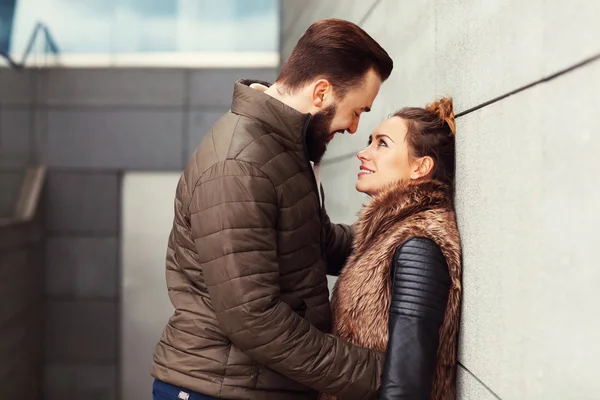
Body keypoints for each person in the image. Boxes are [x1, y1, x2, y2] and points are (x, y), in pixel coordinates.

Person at [151, 19, 394, 400]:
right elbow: (253, 317)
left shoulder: (285, 147)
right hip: (218, 389)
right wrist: (382, 373)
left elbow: (317, 241)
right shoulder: (238, 164)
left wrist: (399, 235)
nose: (353, 128)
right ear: (321, 93)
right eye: (357, 110)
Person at [324, 98, 462, 400]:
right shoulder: (390, 233)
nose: (363, 153)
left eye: (382, 144)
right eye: (369, 142)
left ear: (420, 167)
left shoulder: (419, 245)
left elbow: (407, 384)